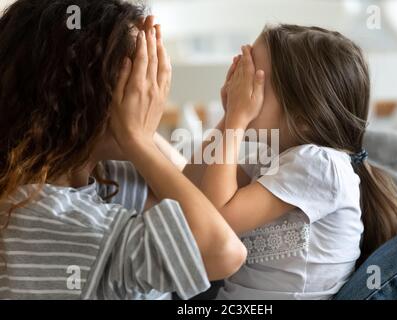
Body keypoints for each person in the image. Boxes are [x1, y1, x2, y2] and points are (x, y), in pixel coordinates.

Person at [0, 0, 247, 299]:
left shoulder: (95, 176)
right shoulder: (44, 217)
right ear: (84, 95)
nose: (148, 95)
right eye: (136, 83)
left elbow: (193, 195)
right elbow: (220, 250)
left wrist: (232, 117)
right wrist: (137, 138)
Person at [192, 25, 397, 299]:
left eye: (254, 82)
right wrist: (229, 115)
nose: (243, 89)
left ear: (303, 120)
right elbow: (192, 188)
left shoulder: (320, 166)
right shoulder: (272, 158)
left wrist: (236, 120)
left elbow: (216, 222)